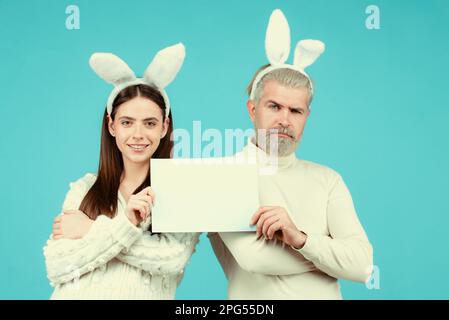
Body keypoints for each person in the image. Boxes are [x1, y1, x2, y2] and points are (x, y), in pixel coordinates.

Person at [209, 9, 373, 299]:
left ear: (306, 116)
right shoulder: (222, 175)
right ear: (252, 110)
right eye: (274, 106)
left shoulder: (328, 179)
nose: (285, 119)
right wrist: (331, 260)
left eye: (295, 110)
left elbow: (362, 265)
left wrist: (299, 238)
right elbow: (255, 259)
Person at [43, 43, 199, 299]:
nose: (138, 134)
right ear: (112, 125)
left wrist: (90, 229)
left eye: (149, 123)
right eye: (127, 122)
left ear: (164, 127)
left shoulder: (179, 191)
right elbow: (58, 265)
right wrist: (124, 226)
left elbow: (171, 259)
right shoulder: (84, 189)